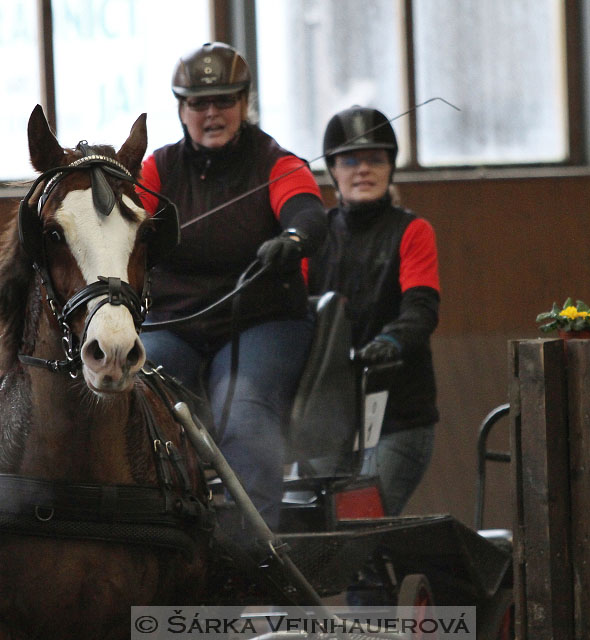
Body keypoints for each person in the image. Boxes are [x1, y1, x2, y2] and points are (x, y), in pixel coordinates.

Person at [134, 42, 327, 529]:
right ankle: (152, 531)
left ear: (244, 103)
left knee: (239, 406)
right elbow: (124, 223)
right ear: (181, 109)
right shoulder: (157, 169)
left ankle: (255, 545)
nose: (212, 112)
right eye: (198, 103)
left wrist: (293, 239)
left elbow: (307, 211)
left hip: (261, 321)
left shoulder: (277, 163)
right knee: (136, 392)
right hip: (176, 322)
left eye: (224, 100)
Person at [306, 105, 441, 516]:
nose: (363, 169)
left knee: (360, 524)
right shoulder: (316, 235)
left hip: (398, 414)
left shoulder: (413, 231)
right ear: (333, 169)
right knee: (311, 524)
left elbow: (421, 308)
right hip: (329, 413)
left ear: (390, 168)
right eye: (350, 160)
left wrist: (391, 341)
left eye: (375, 159)